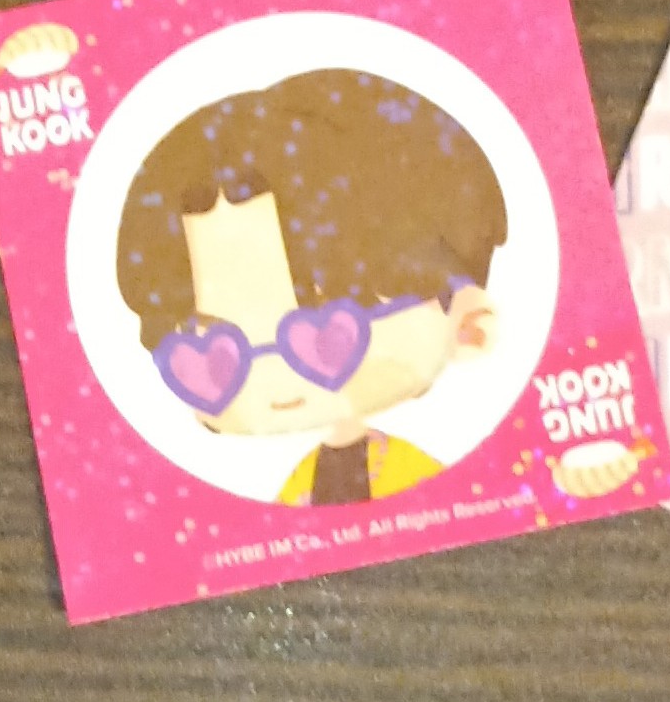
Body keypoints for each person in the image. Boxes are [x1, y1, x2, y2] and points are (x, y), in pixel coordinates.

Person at [115, 68, 507, 506]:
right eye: (214, 355)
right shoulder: (300, 485)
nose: (276, 383)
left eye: (329, 334)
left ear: (469, 323)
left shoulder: (427, 482)